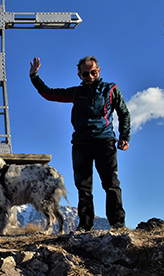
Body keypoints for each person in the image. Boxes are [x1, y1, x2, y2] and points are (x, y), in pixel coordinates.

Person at [29, 56, 131, 231]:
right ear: (79, 75)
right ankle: (85, 225)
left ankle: (118, 224)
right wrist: (34, 76)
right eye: (85, 74)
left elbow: (124, 113)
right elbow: (49, 93)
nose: (90, 76)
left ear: (98, 71)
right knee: (83, 187)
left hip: (105, 141)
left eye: (93, 72)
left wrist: (124, 137)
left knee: (111, 183)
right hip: (80, 143)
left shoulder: (111, 89)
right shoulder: (76, 92)